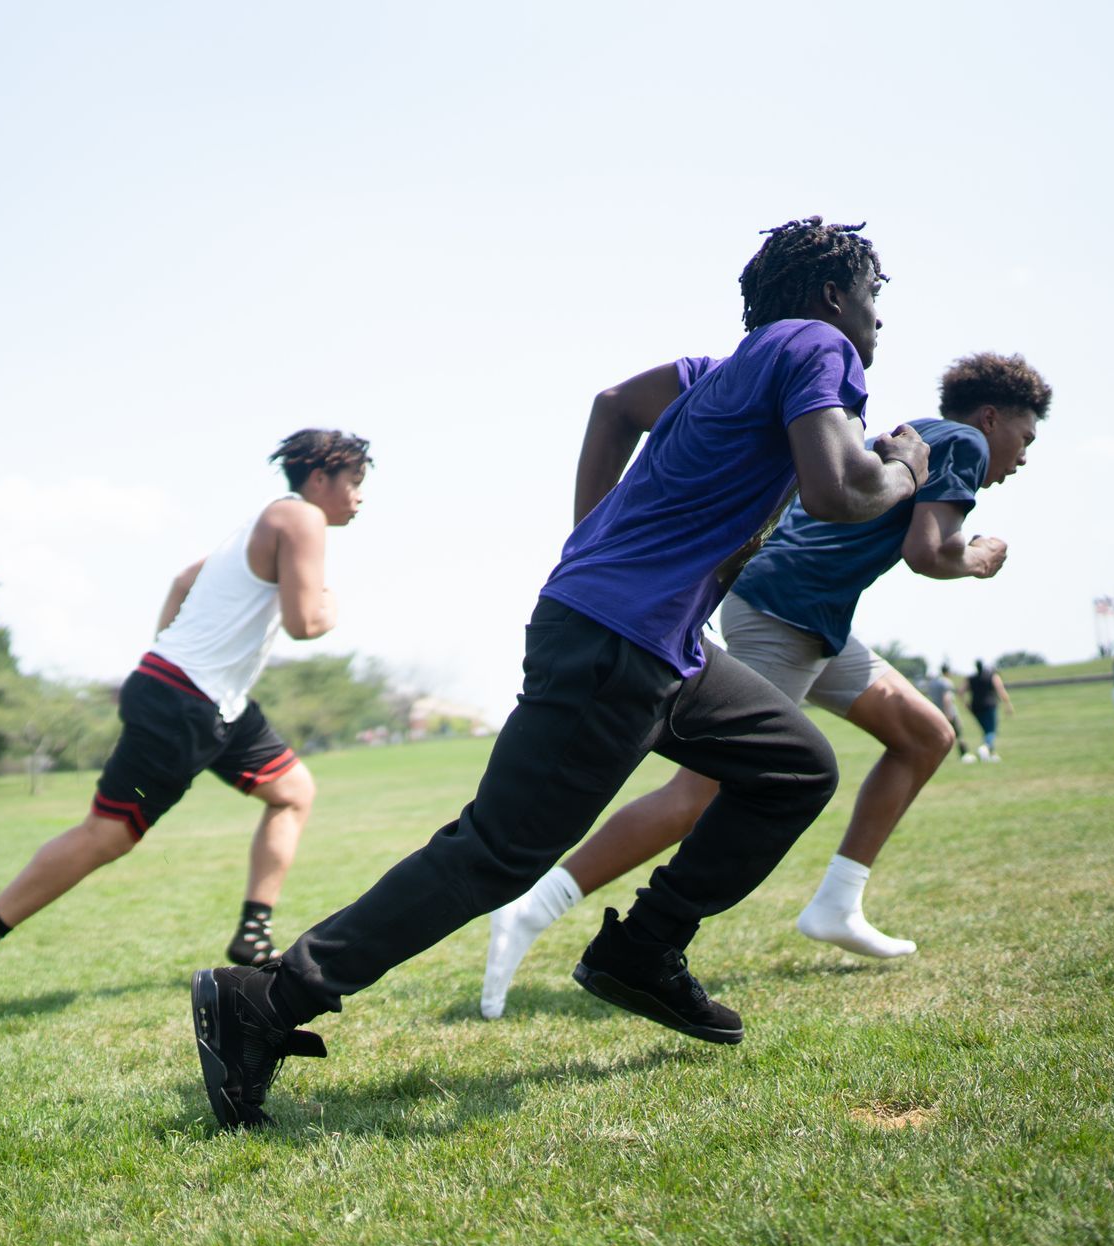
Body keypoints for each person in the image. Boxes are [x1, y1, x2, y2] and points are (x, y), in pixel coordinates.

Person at [191, 216, 934, 1129]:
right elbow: (840, 491)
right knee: (497, 851)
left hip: (654, 643)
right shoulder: (817, 344)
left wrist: (590, 541)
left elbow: (614, 404)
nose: (877, 324)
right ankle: (266, 1000)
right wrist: (900, 467)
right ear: (832, 295)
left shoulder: (720, 376)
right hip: (618, 642)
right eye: (874, 301)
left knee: (793, 765)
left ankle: (646, 948)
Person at [478, 352, 1051, 1014]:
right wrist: (979, 557)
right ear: (991, 417)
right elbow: (930, 552)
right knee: (703, 792)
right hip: (786, 611)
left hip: (809, 615)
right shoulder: (968, 443)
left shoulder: (922, 435)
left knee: (925, 734)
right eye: (1027, 438)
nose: (1025, 455)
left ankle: (837, 902)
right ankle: (533, 905)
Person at [0, 430, 372, 1007]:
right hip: (184, 700)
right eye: (354, 483)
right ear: (319, 478)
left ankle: (253, 933)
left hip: (210, 699)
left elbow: (180, 581)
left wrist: (163, 657)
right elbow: (304, 622)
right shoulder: (301, 520)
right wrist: (332, 604)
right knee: (108, 835)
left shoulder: (263, 523)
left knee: (293, 790)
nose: (359, 497)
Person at [921, 662, 975, 763]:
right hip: (949, 713)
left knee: (938, 736)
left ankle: (934, 757)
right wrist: (948, 713)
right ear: (947, 671)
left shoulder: (932, 683)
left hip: (937, 713)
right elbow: (947, 698)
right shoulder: (946, 682)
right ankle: (964, 754)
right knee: (958, 734)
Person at [964, 659, 1015, 760]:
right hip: (989, 706)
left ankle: (991, 753)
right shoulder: (992, 675)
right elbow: (1000, 689)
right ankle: (985, 748)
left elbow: (961, 691)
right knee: (991, 731)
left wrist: (966, 704)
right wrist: (1008, 704)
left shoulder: (971, 678)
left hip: (975, 707)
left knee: (985, 731)